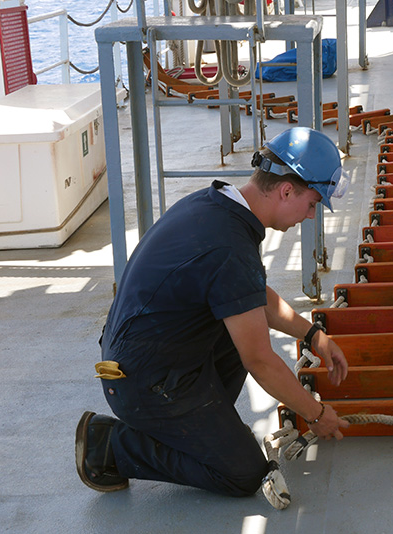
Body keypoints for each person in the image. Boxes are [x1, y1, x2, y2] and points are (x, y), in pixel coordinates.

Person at [76, 127, 351, 497]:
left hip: (152, 357)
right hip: (143, 382)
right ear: (287, 190)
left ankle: (199, 428)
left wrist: (313, 335)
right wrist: (316, 415)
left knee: (240, 321)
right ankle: (110, 444)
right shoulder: (230, 245)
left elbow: (250, 294)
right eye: (313, 203)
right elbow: (260, 361)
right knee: (243, 473)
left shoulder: (218, 206)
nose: (311, 216)